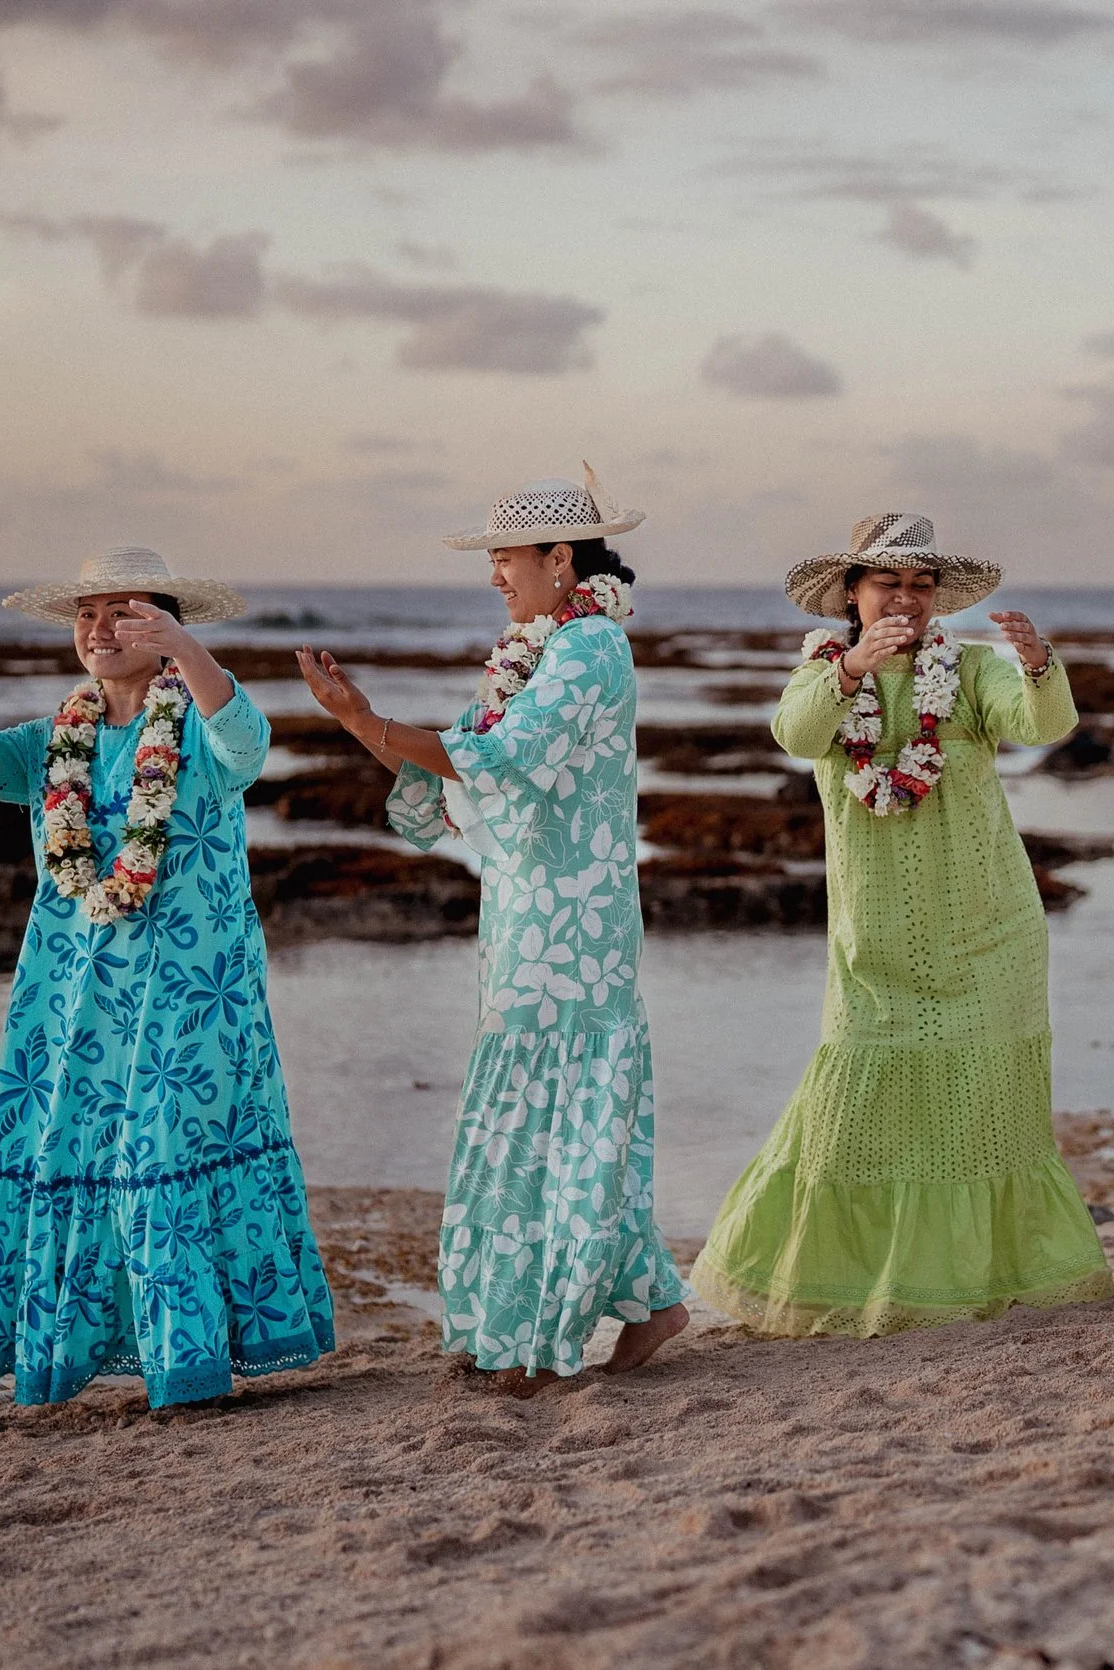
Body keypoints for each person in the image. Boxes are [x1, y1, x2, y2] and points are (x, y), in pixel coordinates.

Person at [0, 546, 334, 1408]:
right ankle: (99, 1346)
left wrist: (185, 651)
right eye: (86, 614)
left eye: (122, 612)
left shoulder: (199, 731)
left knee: (165, 1146)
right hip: (75, 995)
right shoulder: (56, 742)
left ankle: (188, 1359)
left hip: (190, 991)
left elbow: (249, 742)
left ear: (162, 626)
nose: (98, 628)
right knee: (79, 1151)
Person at [296, 469, 687, 1391]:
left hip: (574, 920)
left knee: (563, 1113)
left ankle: (537, 1336)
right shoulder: (536, 648)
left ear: (561, 559)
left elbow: (504, 761)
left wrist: (369, 717)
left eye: (506, 558)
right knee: (547, 1113)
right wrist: (360, 724)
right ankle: (643, 1304)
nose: (497, 577)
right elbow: (450, 774)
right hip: (524, 912)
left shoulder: (590, 649)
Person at [691, 513, 1113, 1336]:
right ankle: (842, 1276)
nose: (909, 598)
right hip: (875, 937)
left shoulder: (974, 669)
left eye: (923, 584)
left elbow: (1043, 725)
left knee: (985, 1106)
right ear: (851, 594)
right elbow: (796, 735)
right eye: (890, 581)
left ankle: (986, 1274)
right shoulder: (819, 672)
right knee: (854, 1097)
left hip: (990, 925)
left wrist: (1037, 663)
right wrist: (851, 668)